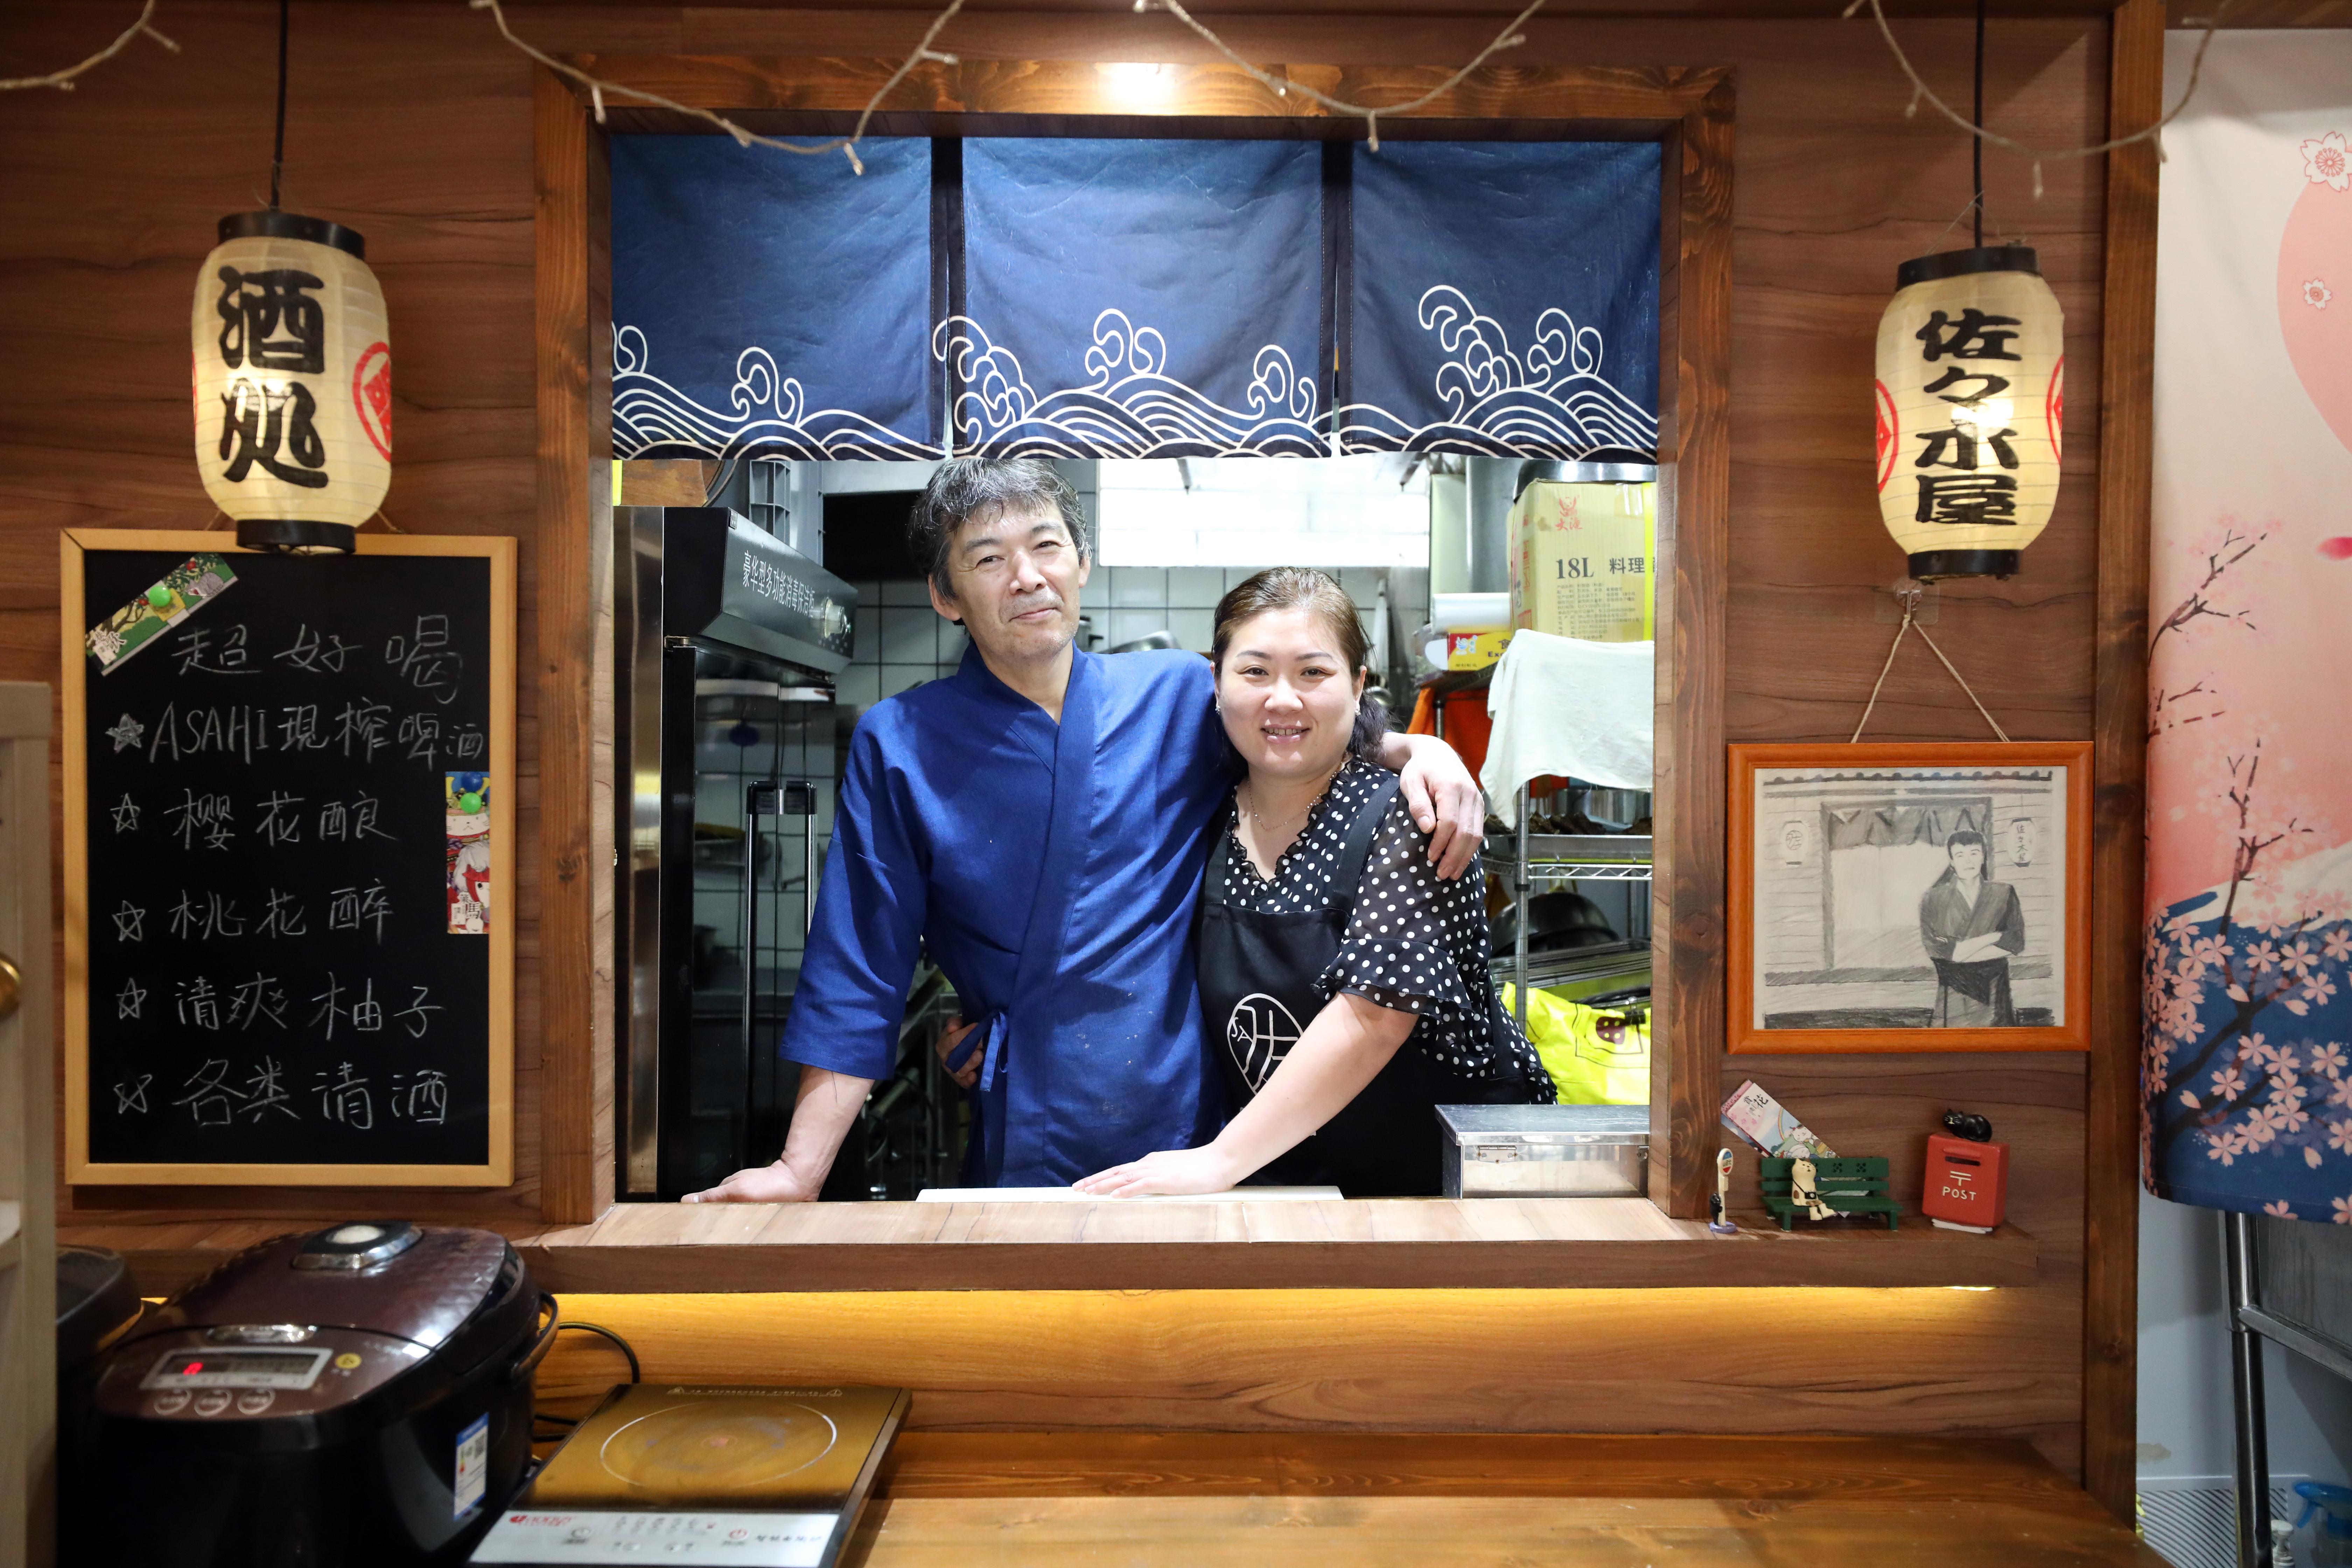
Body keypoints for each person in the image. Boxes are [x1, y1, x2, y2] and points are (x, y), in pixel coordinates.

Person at [684, 461, 1488, 1200]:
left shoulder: (1177, 695)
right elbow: (860, 964)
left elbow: (1296, 735)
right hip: (1028, 1111)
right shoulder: (900, 742)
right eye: (989, 558)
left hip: (1199, 1122)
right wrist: (798, 1169)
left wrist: (1421, 750)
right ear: (946, 594)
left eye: (1046, 546)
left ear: (1082, 563)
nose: (1028, 577)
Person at [1076, 568, 1554, 1200]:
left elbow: (1375, 1018)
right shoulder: (1206, 809)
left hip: (1454, 1183)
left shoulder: (1411, 815)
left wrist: (1219, 1161)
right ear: (1215, 683)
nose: (1282, 700)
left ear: (1357, 685)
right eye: (1254, 672)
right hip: (1298, 1176)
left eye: (1313, 673)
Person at [1918, 829, 2024, 1027]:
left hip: (1995, 997)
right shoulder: (1933, 899)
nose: (1968, 862)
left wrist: (1960, 951)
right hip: (1954, 999)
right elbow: (1939, 950)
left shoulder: (2003, 893)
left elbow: (2016, 942)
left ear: (1983, 857)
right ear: (1951, 861)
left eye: (1974, 853)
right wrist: (1994, 937)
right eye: (1960, 855)